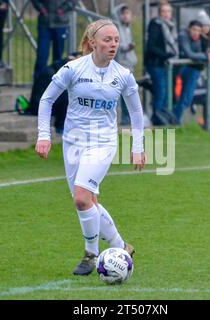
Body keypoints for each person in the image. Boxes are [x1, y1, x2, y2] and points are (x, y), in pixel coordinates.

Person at [35, 19, 145, 276]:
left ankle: (91, 254)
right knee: (89, 201)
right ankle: (121, 247)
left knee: (81, 198)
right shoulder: (72, 69)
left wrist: (137, 146)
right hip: (73, 143)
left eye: (116, 40)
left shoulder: (123, 75)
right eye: (107, 40)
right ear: (92, 42)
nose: (113, 44)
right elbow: (46, 99)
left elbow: (136, 112)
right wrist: (44, 135)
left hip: (103, 142)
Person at [145, 1, 178, 124]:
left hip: (165, 64)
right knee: (161, 91)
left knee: (166, 92)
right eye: (163, 11)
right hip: (156, 63)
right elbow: (151, 46)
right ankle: (158, 118)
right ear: (159, 13)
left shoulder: (171, 25)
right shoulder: (155, 24)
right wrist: (165, 55)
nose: (166, 14)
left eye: (168, 11)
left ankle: (162, 116)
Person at [173, 20, 210, 124]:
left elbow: (209, 52)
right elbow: (190, 54)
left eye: (199, 31)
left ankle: (174, 121)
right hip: (181, 69)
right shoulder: (183, 36)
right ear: (189, 29)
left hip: (194, 70)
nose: (196, 32)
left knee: (187, 99)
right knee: (183, 98)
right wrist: (204, 56)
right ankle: (174, 122)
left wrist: (205, 43)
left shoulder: (201, 39)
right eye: (194, 29)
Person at [32, 0, 76, 80]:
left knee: (58, 58)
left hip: (61, 24)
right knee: (41, 57)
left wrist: (63, 9)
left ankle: (56, 85)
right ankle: (38, 85)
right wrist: (42, 9)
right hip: (44, 23)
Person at [113, 3, 138, 126]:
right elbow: (118, 46)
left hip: (129, 64)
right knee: (123, 93)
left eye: (128, 13)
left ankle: (128, 119)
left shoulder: (128, 28)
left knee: (129, 92)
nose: (126, 16)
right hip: (121, 64)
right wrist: (128, 47)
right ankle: (125, 119)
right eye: (124, 13)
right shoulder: (116, 27)